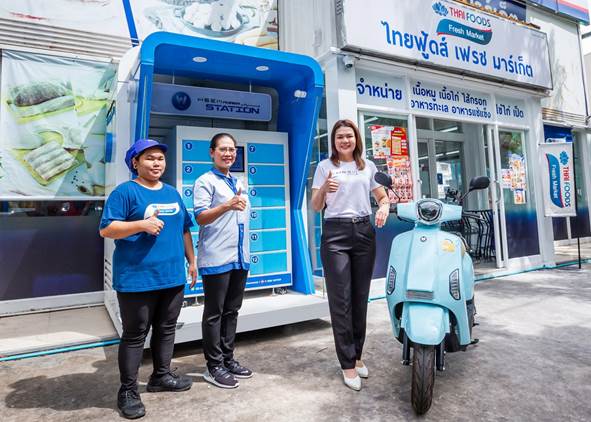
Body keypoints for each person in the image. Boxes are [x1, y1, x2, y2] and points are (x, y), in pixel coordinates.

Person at [99, 139, 195, 419]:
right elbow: (107, 229)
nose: (156, 163)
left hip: (172, 276)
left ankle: (161, 376)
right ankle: (128, 391)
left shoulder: (172, 193)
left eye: (160, 158)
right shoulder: (125, 192)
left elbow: (185, 229)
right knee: (134, 335)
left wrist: (192, 261)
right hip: (137, 278)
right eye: (150, 158)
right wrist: (141, 225)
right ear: (135, 163)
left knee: (166, 329)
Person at [311, 119, 390, 391]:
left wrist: (384, 207)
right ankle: (346, 363)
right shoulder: (325, 167)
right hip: (336, 234)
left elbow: (382, 197)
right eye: (339, 137)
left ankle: (356, 355)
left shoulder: (367, 167)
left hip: (364, 232)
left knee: (359, 298)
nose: (344, 140)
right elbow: (315, 206)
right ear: (333, 141)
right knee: (341, 300)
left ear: (356, 139)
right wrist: (324, 189)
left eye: (349, 136)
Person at [192, 132, 253, 389]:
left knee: (232, 311)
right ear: (212, 152)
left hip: (239, 256)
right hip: (217, 255)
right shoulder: (205, 181)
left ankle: (228, 359)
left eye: (232, 150)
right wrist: (227, 205)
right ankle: (213, 365)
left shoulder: (238, 182)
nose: (228, 154)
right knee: (214, 313)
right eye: (223, 149)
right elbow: (200, 217)